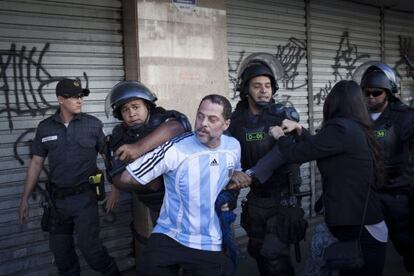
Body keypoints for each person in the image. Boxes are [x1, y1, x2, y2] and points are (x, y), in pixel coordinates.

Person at [114, 94, 245, 276]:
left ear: (226, 124)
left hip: (209, 241)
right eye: (200, 116)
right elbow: (128, 177)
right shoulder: (175, 148)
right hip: (170, 234)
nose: (203, 123)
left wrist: (233, 185)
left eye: (212, 119)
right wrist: (151, 181)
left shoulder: (233, 147)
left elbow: (233, 173)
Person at [268, 80, 387, 275]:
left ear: (333, 102)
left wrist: (279, 136)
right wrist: (299, 129)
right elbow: (318, 147)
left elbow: (298, 154)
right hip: (366, 223)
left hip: (361, 227)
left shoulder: (340, 128)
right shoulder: (355, 128)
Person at [18, 79, 120, 275]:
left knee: (92, 252)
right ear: (60, 100)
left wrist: (115, 188)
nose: (79, 100)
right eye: (74, 96)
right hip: (57, 204)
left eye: (81, 96)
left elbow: (109, 157)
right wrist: (24, 199)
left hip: (84, 201)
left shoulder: (93, 125)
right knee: (62, 256)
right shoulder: (45, 128)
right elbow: (36, 163)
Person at [227, 52, 303, 276]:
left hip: (283, 198)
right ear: (246, 90)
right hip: (256, 199)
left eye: (268, 85)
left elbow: (284, 152)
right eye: (257, 85)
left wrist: (252, 173)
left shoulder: (284, 116)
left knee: (275, 256)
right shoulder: (236, 121)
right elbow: (225, 154)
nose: (264, 90)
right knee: (257, 250)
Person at [354, 61, 414, 272]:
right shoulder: (357, 117)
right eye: (366, 93)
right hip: (368, 193)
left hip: (397, 192)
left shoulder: (405, 117)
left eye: (376, 93)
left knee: (407, 243)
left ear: (389, 92)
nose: (370, 97)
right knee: (365, 250)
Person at [105, 80, 191, 224]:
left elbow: (177, 127)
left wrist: (139, 148)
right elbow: (115, 175)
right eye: (125, 109)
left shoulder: (162, 120)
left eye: (136, 107)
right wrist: (147, 183)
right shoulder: (120, 135)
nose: (132, 114)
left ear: (147, 106)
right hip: (155, 203)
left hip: (184, 199)